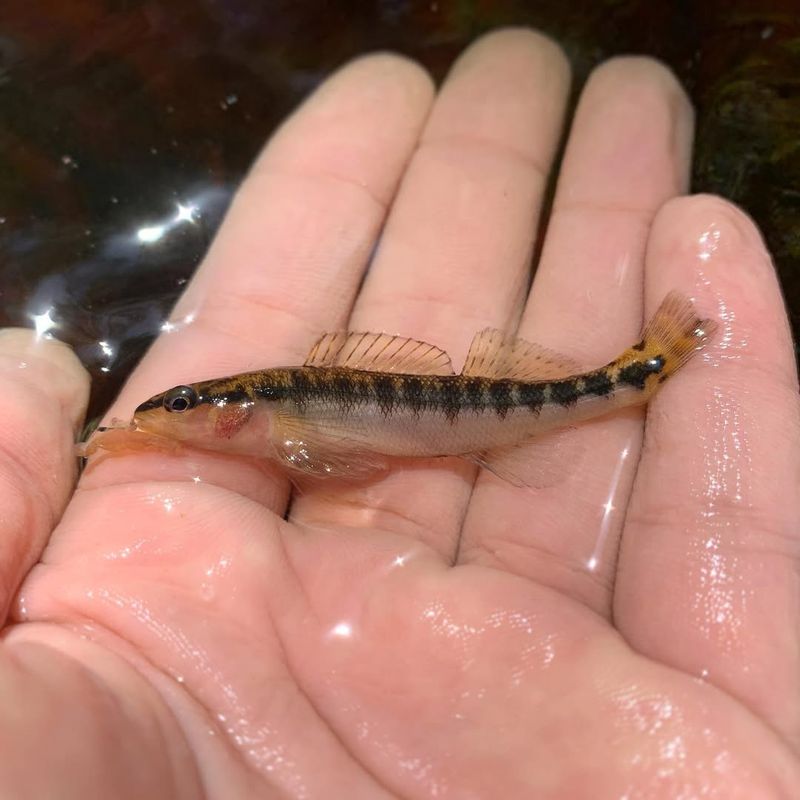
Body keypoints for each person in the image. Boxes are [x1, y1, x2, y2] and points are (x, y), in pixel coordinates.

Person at [1, 27, 797, 798]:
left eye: (183, 405)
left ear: (230, 411)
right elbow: (341, 458)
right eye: (177, 405)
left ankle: (642, 371)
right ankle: (638, 372)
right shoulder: (263, 424)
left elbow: (340, 459)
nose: (172, 413)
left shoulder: (275, 415)